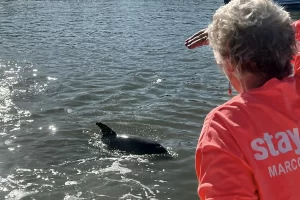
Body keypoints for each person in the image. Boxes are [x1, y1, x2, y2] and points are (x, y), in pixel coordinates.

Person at [188, 0, 300, 199]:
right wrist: (267, 35)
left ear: (231, 62)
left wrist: (230, 35)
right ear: (289, 46)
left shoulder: (225, 126)